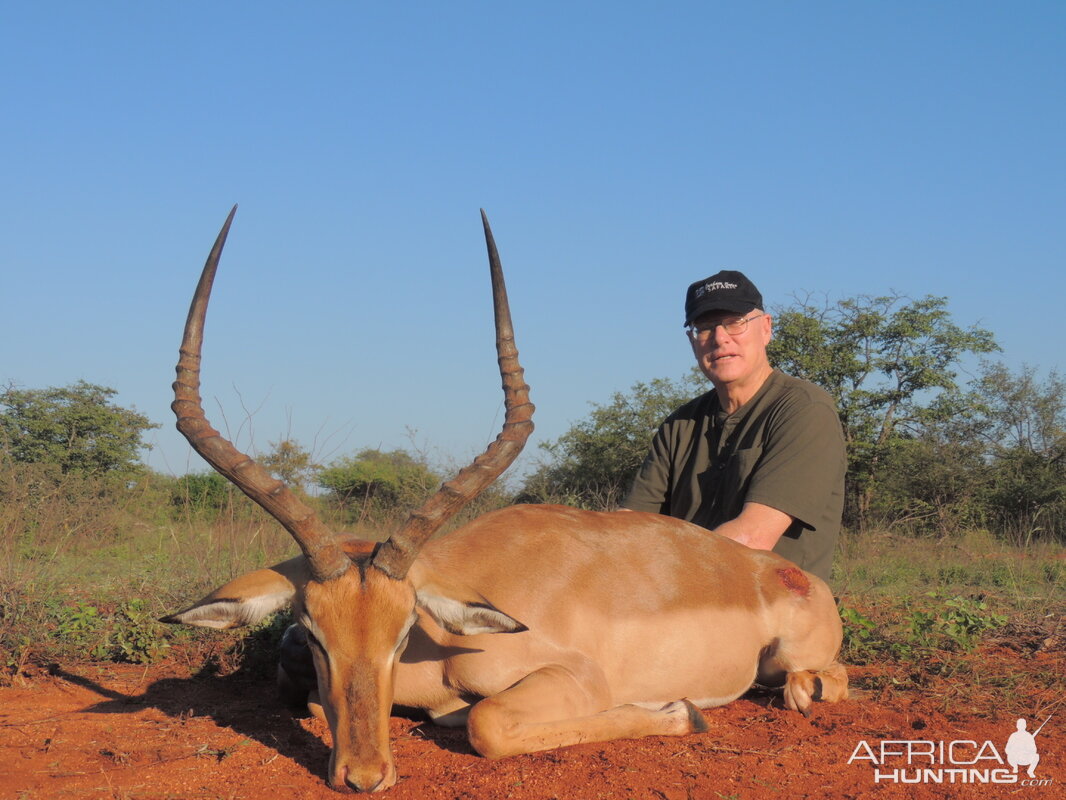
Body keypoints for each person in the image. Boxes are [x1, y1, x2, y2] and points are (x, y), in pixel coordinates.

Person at [620, 270, 846, 583]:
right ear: (692, 341)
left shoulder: (804, 409)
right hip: (685, 605)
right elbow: (628, 527)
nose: (720, 338)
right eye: (705, 327)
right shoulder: (679, 425)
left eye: (735, 322)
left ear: (766, 328)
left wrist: (653, 572)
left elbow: (752, 538)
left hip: (774, 612)